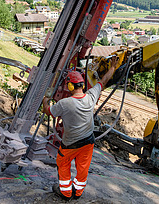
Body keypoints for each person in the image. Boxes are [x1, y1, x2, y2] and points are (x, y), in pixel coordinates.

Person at [42, 57, 118, 201]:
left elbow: (48, 111)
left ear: (70, 86)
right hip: (88, 142)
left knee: (63, 164)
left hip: (70, 144)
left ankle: (65, 192)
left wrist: (46, 99)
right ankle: (77, 192)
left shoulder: (65, 103)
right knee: (82, 168)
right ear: (82, 85)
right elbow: (103, 82)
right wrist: (113, 68)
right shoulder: (91, 97)